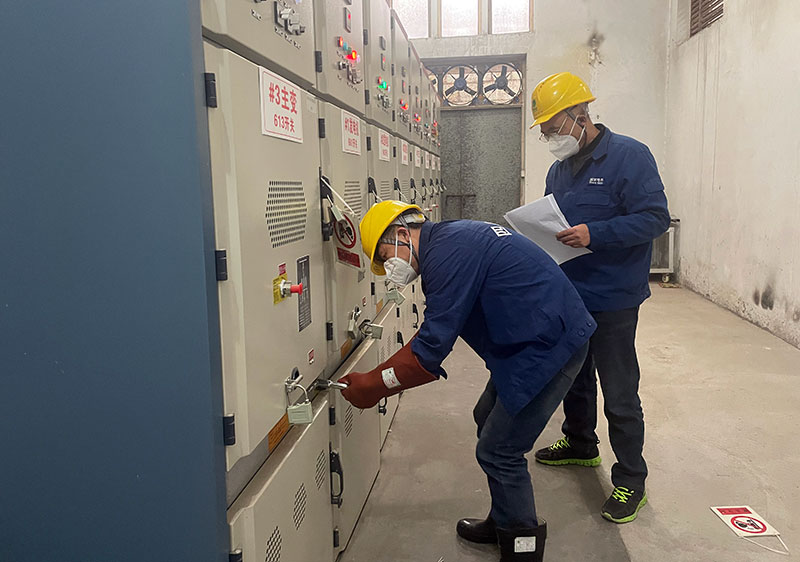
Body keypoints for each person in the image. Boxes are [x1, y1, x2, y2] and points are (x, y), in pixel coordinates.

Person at [338, 201, 597, 562]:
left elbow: (429, 350)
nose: (390, 266)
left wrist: (373, 385)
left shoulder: (447, 254)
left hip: (550, 345)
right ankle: (504, 518)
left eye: (385, 255)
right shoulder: (448, 240)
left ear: (401, 234)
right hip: (530, 339)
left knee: (499, 450)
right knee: (485, 417)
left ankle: (521, 545)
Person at [529, 72, 671, 524]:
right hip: (572, 293)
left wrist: (597, 233)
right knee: (575, 376)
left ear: (580, 115)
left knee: (619, 389)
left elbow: (655, 218)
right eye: (545, 131)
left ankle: (631, 479)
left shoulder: (629, 156)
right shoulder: (559, 170)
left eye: (554, 127)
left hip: (614, 296)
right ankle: (580, 442)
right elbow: (552, 221)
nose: (551, 138)